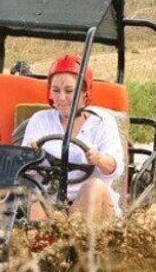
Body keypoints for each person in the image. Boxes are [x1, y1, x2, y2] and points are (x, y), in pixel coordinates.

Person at [21, 54, 125, 223]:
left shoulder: (102, 121)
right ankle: (29, 246)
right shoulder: (39, 120)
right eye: (56, 90)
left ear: (84, 92)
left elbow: (115, 168)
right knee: (32, 195)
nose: (62, 98)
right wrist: (31, 156)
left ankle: (77, 242)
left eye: (69, 91)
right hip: (50, 201)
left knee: (94, 186)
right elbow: (25, 171)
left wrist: (99, 159)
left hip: (92, 204)